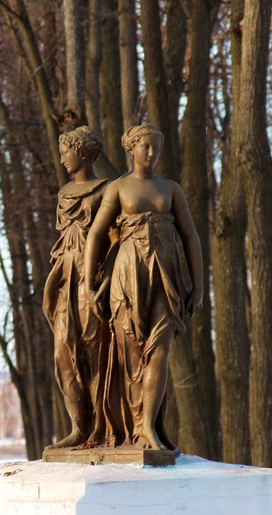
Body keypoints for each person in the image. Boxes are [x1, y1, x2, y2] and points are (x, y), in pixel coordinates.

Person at [83, 124, 203, 451]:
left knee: (160, 349)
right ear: (131, 148)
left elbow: (190, 236)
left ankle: (148, 425)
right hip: (128, 275)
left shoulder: (171, 189)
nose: (152, 153)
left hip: (166, 275)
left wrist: (198, 286)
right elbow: (96, 234)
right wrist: (90, 284)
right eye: (146, 147)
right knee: (132, 355)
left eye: (156, 147)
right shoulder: (119, 188)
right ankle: (132, 428)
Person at [43, 126, 111, 449]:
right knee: (63, 351)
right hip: (65, 277)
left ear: (82, 152)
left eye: (65, 152)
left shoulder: (106, 190)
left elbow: (115, 239)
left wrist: (104, 281)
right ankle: (77, 427)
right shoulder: (64, 193)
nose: (62, 159)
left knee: (94, 352)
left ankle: (99, 426)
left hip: (91, 278)